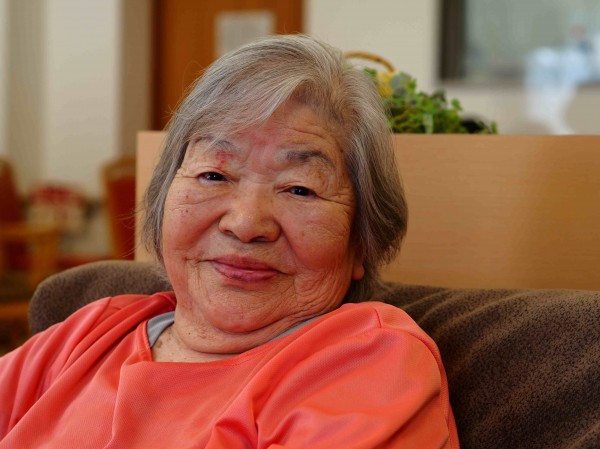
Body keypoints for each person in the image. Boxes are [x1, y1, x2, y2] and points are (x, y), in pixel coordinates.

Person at [0, 35, 459, 448]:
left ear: (361, 239)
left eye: (300, 188)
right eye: (214, 175)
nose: (245, 224)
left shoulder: (367, 362)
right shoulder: (86, 335)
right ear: (163, 200)